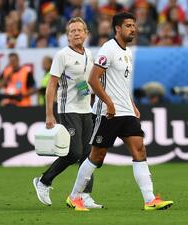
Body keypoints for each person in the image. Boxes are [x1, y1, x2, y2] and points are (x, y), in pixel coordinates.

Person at [67, 12, 174, 211]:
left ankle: (150, 199)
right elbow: (92, 79)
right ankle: (74, 196)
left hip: (126, 111)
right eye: (128, 25)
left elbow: (121, 83)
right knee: (96, 156)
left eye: (134, 25)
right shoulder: (108, 49)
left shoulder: (128, 52)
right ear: (118, 28)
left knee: (139, 149)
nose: (133, 29)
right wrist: (109, 103)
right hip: (108, 112)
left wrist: (131, 104)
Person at [33, 17, 102, 209]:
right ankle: (44, 181)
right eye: (72, 31)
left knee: (88, 155)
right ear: (67, 36)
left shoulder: (89, 54)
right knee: (74, 153)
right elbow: (51, 85)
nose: (76, 33)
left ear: (86, 33)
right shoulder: (62, 55)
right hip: (68, 109)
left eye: (80, 30)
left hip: (86, 110)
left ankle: (85, 195)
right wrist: (49, 113)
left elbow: (91, 82)